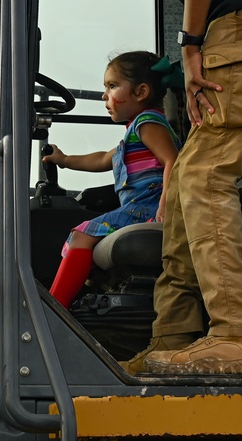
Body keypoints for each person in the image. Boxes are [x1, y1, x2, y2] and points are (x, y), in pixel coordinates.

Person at [55, 0, 242, 375]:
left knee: (200, 179)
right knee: (179, 198)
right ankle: (171, 339)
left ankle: (240, 335)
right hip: (227, 28)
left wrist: (191, 42)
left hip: (239, 25)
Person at [44, 51, 181, 309]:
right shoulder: (133, 132)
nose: (105, 95)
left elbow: (173, 161)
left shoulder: (147, 122)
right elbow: (102, 159)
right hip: (139, 207)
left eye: (112, 86)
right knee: (83, 236)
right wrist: (64, 159)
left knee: (81, 235)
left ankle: (55, 308)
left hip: (149, 207)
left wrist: (166, 203)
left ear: (140, 92)